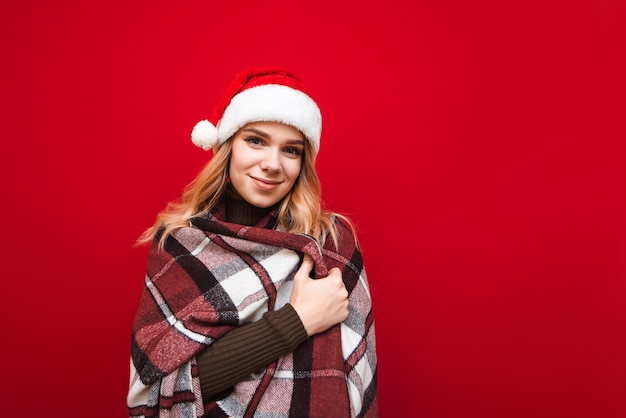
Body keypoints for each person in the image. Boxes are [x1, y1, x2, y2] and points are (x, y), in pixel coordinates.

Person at [127, 67, 378, 418]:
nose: (272, 164)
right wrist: (298, 320)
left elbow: (355, 374)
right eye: (256, 141)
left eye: (290, 150)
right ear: (227, 145)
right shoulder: (178, 244)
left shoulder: (331, 242)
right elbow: (164, 388)